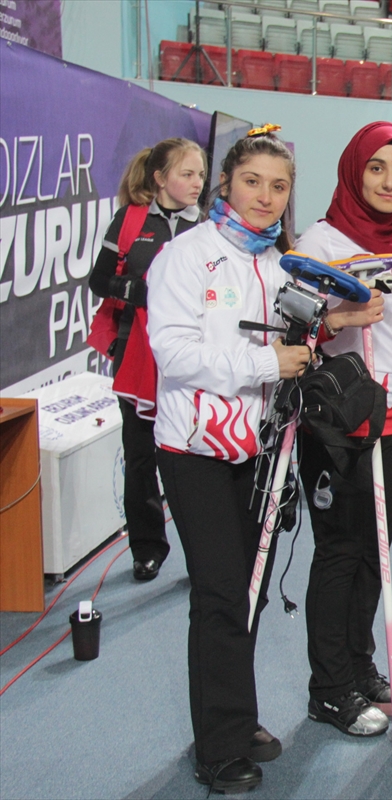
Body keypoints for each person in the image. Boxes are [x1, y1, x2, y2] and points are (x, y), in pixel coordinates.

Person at [148, 128, 381, 793]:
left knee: (247, 593)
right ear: (227, 183)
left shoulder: (282, 264)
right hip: (193, 448)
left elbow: (301, 336)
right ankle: (218, 749)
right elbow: (174, 354)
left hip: (259, 450)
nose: (265, 197)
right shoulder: (185, 256)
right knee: (222, 593)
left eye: (279, 187)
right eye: (253, 182)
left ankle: (236, 717)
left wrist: (340, 322)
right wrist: (263, 362)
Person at [294, 122, 392, 737]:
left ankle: (360, 662)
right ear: (354, 170)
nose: (389, 181)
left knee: (376, 549)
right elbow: (287, 330)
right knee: (340, 551)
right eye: (377, 167)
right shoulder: (319, 241)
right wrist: (336, 316)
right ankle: (328, 687)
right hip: (333, 423)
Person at [88, 138, 206, 582]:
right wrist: (134, 291)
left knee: (194, 456)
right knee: (140, 457)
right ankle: (148, 548)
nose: (197, 184)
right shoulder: (130, 219)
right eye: (186, 174)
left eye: (200, 175)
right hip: (135, 357)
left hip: (193, 361)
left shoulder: (208, 227)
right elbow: (99, 280)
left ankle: (202, 551)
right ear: (159, 178)